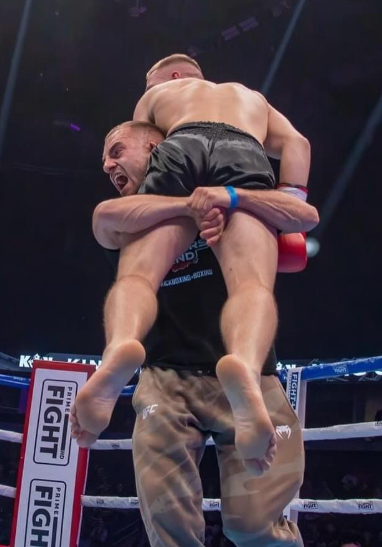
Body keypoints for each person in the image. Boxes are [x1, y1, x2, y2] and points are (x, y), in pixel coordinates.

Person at [84, 120, 314, 547]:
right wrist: (186, 205)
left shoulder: (233, 192)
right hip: (164, 379)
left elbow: (300, 221)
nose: (108, 164)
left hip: (250, 383)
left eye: (118, 150)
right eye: (104, 157)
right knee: (168, 517)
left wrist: (228, 198)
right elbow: (104, 219)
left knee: (253, 524)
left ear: (158, 148)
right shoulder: (134, 217)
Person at [73, 53, 312, 488]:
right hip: (245, 152)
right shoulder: (252, 100)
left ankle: (119, 349)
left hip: (180, 149)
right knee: (252, 285)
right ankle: (244, 366)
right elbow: (298, 143)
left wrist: (186, 202)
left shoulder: (159, 98)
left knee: (137, 277)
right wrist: (290, 196)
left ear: (174, 77)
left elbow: (149, 142)